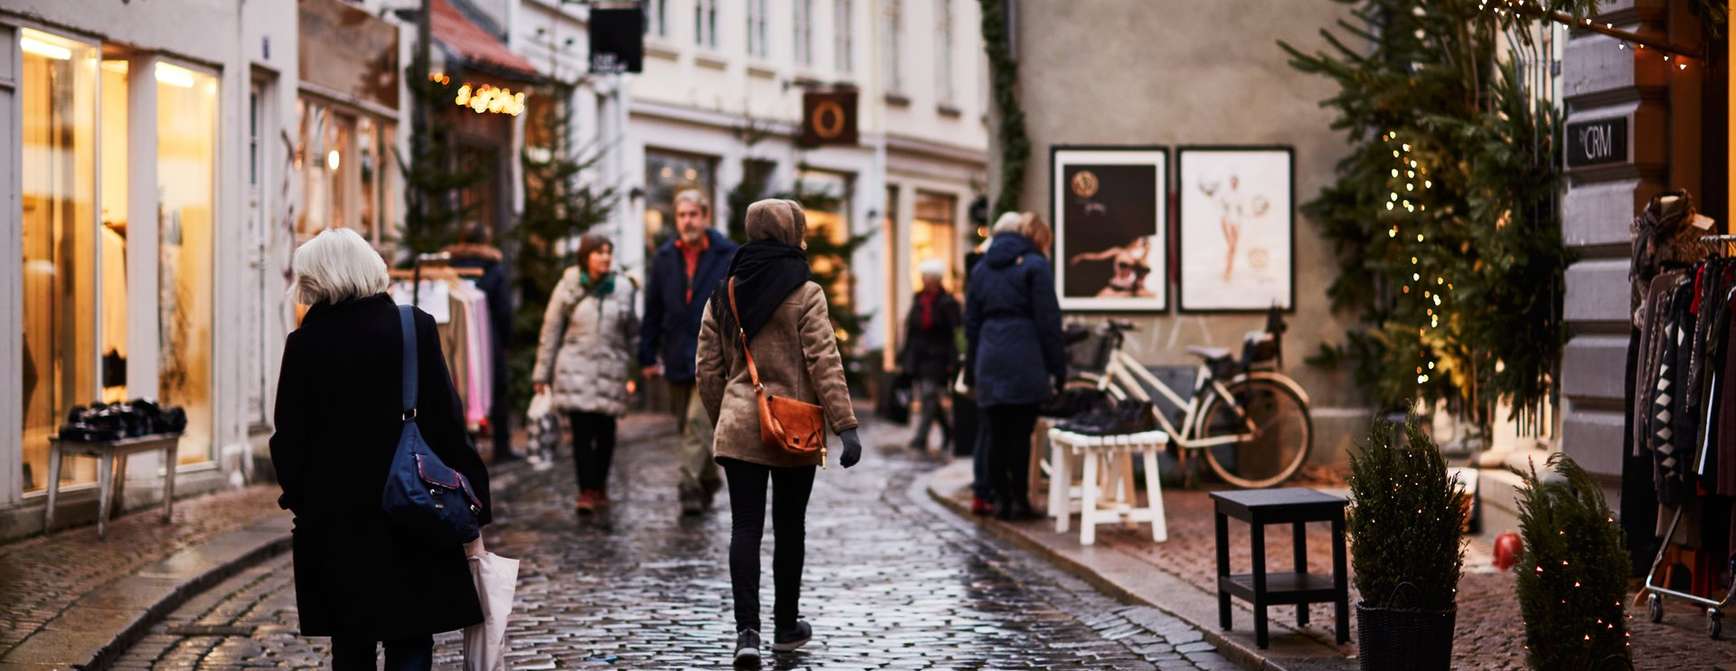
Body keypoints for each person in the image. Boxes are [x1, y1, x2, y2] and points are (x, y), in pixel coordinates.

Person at [270, 228, 492, 671]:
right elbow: (446, 423)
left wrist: (302, 503)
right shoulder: (414, 328)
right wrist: (474, 507)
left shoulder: (305, 344)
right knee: (411, 641)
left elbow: (289, 440)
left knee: (351, 647)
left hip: (337, 525)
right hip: (413, 511)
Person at [695, 199, 864, 664]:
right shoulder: (806, 291)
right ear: (791, 233)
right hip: (795, 428)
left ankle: (746, 633)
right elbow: (824, 361)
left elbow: (706, 369)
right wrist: (845, 424)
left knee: (744, 527)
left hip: (738, 425)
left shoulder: (723, 290)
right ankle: (785, 626)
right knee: (790, 527)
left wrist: (725, 417)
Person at [642, 188, 739, 514]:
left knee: (698, 424)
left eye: (693, 215)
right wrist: (646, 353)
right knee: (685, 422)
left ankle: (688, 488)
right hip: (676, 353)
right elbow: (653, 308)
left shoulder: (727, 254)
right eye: (682, 215)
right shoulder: (665, 257)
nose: (687, 221)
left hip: (714, 355)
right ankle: (709, 478)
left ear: (705, 216)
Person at [965, 211, 1065, 521]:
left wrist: (972, 365)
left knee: (995, 433)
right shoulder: (1035, 265)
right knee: (1021, 435)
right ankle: (1020, 501)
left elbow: (971, 322)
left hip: (989, 356)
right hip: (1025, 356)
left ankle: (1000, 500)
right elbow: (1048, 321)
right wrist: (1057, 368)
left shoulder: (981, 268)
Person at [533, 234, 640, 513]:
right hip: (574, 369)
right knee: (581, 434)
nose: (604, 257)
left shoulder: (623, 288)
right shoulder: (568, 286)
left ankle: (600, 485)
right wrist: (541, 374)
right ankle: (586, 491)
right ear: (585, 257)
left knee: (606, 433)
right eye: (598, 252)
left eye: (608, 252)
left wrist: (638, 367)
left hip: (610, 369)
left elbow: (633, 333)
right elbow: (551, 330)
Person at [443, 226, 514, 462]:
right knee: (497, 390)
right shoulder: (493, 267)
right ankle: (502, 448)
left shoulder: (448, 266)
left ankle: (467, 446)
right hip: (487, 335)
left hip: (455, 333)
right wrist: (506, 339)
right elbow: (503, 309)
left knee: (461, 386)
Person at [902, 259, 960, 453]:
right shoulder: (918, 299)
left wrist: (954, 360)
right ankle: (949, 430)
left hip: (939, 358)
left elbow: (954, 331)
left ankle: (920, 438)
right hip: (919, 357)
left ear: (936, 279)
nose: (924, 280)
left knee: (928, 395)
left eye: (927, 277)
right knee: (931, 398)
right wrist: (904, 355)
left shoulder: (947, 302)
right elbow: (911, 328)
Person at [1068, 236, 1154, 298]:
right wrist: (1081, 256)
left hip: (1130, 289)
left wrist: (1146, 250)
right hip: (1116, 286)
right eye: (1138, 242)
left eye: (1142, 243)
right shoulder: (1118, 252)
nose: (1139, 244)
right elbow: (1097, 256)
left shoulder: (1138, 258)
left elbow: (1145, 269)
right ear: (1133, 241)